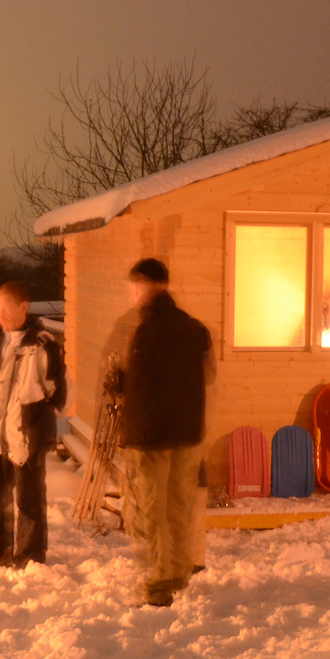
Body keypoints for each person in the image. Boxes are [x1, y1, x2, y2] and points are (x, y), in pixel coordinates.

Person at [113, 258, 213, 607]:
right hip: (187, 434)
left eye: (135, 284)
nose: (132, 291)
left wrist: (126, 389)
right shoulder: (193, 328)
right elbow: (207, 376)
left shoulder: (148, 329)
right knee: (179, 508)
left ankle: (157, 583)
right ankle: (178, 574)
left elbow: (148, 387)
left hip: (153, 437)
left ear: (151, 286)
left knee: (149, 512)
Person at [0, 282, 66, 569]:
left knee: (28, 501)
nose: (0, 316)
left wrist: (35, 423)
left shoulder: (43, 345)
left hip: (26, 437)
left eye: (6, 309)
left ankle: (28, 558)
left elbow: (59, 394)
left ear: (23, 307)